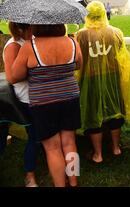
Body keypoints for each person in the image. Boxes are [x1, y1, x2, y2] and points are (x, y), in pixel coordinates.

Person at [11, 23, 82, 187]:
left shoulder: (30, 46)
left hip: (43, 103)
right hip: (70, 97)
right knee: (70, 143)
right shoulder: (72, 42)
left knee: (53, 148)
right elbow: (78, 65)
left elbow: (14, 76)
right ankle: (73, 181)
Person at [76, 1, 130, 164]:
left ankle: (98, 154)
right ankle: (116, 147)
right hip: (112, 76)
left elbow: (78, 61)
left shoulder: (81, 35)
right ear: (104, 13)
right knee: (114, 109)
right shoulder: (115, 32)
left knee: (93, 112)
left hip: (90, 78)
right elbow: (123, 56)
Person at [2, 22, 39, 187]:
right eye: (33, 27)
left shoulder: (27, 41)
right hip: (26, 97)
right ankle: (30, 175)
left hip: (34, 95)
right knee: (35, 136)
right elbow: (11, 77)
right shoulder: (14, 46)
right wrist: (39, 69)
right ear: (21, 28)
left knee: (38, 135)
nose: (35, 30)